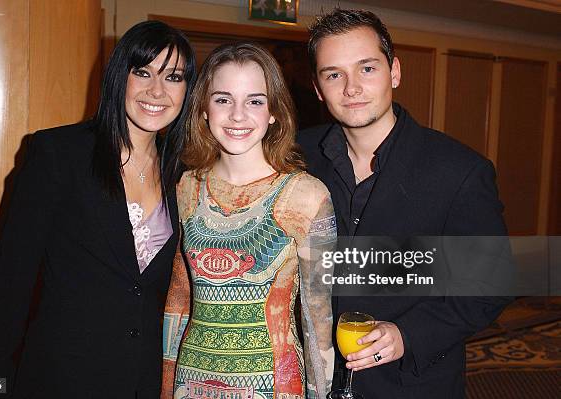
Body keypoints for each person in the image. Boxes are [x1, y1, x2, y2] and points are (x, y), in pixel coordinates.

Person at [0, 20, 196, 398]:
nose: (157, 90)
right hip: (58, 379)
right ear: (118, 76)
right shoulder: (59, 154)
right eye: (143, 72)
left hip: (142, 384)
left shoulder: (185, 177)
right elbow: (7, 286)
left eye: (173, 77)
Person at [297, 8, 512, 398]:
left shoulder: (460, 171)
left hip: (411, 385)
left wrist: (407, 334)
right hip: (310, 382)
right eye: (334, 74)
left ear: (394, 71)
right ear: (317, 87)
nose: (351, 88)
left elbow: (489, 285)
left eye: (367, 68)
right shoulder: (296, 156)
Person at [162, 43, 336, 399]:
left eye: (255, 101)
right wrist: (165, 388)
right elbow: (178, 299)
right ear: (204, 110)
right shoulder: (186, 187)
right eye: (223, 99)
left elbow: (318, 321)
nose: (237, 115)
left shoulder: (307, 196)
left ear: (273, 111)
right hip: (190, 381)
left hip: (274, 385)